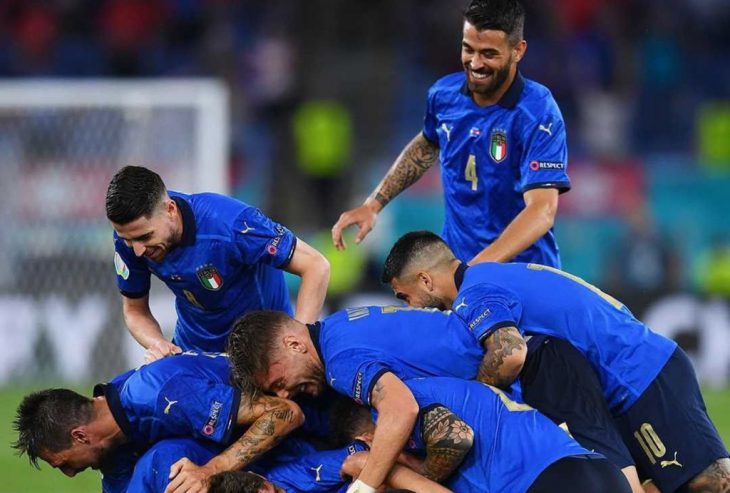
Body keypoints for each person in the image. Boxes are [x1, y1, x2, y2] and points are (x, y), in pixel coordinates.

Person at [381, 230, 730, 493]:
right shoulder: (493, 276)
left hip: (640, 375)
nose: (411, 307)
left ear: (425, 280)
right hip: (618, 384)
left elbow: (510, 353)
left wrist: (476, 397)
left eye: (405, 296)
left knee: (709, 482)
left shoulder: (474, 295)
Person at [331, 0, 570, 268]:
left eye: (489, 54)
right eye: (468, 49)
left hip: (524, 273)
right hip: (458, 269)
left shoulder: (538, 111)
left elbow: (542, 210)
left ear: (518, 51)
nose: (475, 63)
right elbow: (427, 144)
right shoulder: (443, 95)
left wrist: (476, 270)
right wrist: (373, 204)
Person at [227, 307, 485, 492]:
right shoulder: (338, 326)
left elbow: (401, 409)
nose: (284, 395)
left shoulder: (339, 363)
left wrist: (364, 486)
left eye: (279, 383)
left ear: (294, 345)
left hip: (494, 406)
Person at [106, 165, 330, 359]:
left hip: (263, 353)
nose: (137, 250)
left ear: (170, 210)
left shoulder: (232, 225)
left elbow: (315, 265)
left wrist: (298, 346)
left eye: (145, 237)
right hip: (193, 353)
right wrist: (158, 343)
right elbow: (135, 311)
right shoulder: (131, 237)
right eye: (127, 240)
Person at [12, 351, 304, 493]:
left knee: (169, 465)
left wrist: (210, 470)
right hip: (261, 464)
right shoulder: (112, 445)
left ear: (80, 436)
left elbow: (286, 413)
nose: (69, 474)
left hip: (306, 442)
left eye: (63, 464)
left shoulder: (159, 393)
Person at [333, 377, 631, 493]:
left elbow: (456, 437)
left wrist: (388, 473)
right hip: (599, 471)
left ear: (367, 439)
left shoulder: (394, 409)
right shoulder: (442, 391)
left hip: (543, 482)